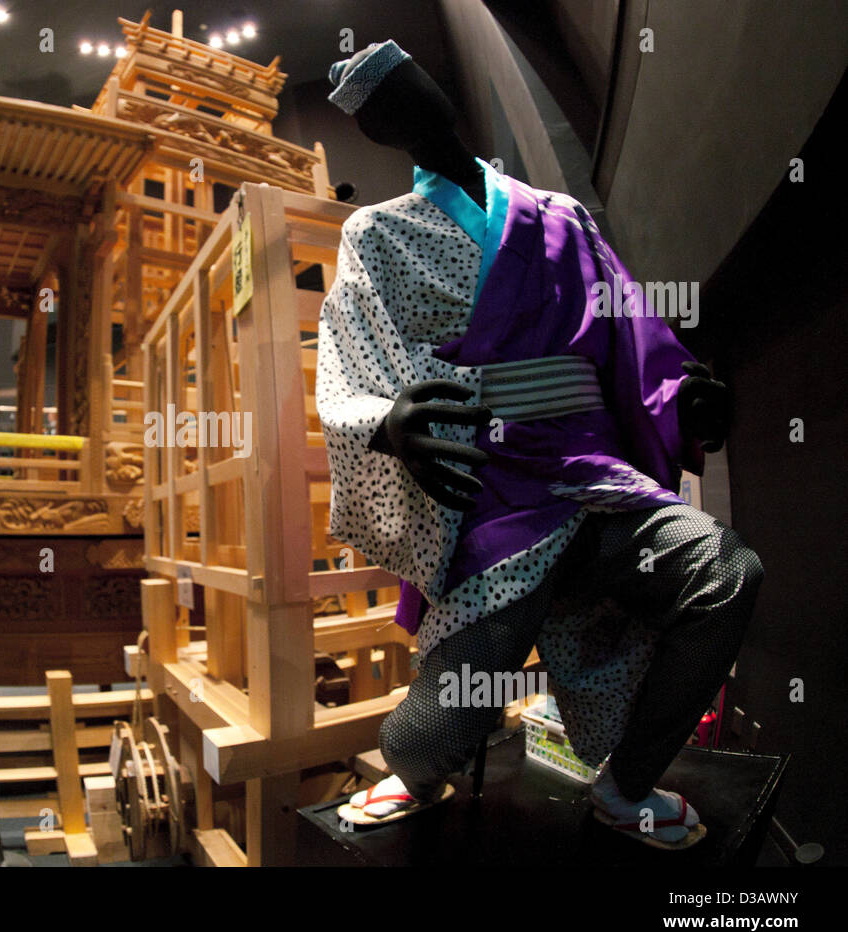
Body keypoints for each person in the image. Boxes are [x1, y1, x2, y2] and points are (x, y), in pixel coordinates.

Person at [318, 42, 761, 849]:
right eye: (383, 105)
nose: (405, 106)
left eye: (410, 84)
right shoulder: (375, 235)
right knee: (430, 735)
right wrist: (386, 422)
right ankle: (418, 767)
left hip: (594, 479)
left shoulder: (562, 217)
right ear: (376, 132)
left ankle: (625, 788)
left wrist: (684, 395)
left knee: (725, 573)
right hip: (491, 501)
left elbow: (633, 330)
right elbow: (347, 364)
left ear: (438, 95)